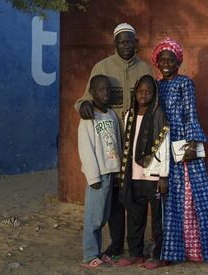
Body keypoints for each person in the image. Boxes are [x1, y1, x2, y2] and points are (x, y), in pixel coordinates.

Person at [74, 23, 153, 260]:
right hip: (111, 148)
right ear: (114, 44)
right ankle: (116, 244)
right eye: (121, 41)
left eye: (130, 41)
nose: (126, 45)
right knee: (116, 198)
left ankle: (135, 246)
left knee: (136, 195)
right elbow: (84, 100)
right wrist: (83, 105)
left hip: (137, 143)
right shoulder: (102, 67)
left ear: (136, 43)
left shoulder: (144, 69)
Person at [151, 38, 208, 262]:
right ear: (156, 62)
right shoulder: (156, 85)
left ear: (177, 62)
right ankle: (171, 251)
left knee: (190, 198)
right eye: (162, 59)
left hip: (183, 147)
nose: (166, 63)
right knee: (168, 199)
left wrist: (192, 142)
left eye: (170, 60)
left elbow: (191, 114)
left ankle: (197, 251)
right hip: (162, 146)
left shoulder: (185, 83)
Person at [116, 75, 170, 269]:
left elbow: (163, 147)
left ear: (154, 94)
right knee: (135, 216)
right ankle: (135, 253)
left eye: (148, 91)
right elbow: (127, 147)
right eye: (140, 91)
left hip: (154, 177)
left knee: (157, 219)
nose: (144, 95)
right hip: (134, 175)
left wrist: (163, 175)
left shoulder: (158, 115)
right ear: (135, 93)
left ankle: (158, 254)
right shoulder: (129, 115)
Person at [78, 75, 122, 268]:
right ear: (92, 93)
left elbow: (118, 143)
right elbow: (85, 149)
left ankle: (97, 251)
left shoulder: (111, 115)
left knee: (103, 216)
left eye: (108, 89)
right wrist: (92, 176)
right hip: (98, 174)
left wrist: (119, 169)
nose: (106, 93)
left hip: (112, 172)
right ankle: (89, 255)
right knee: (94, 217)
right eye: (102, 90)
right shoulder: (88, 118)